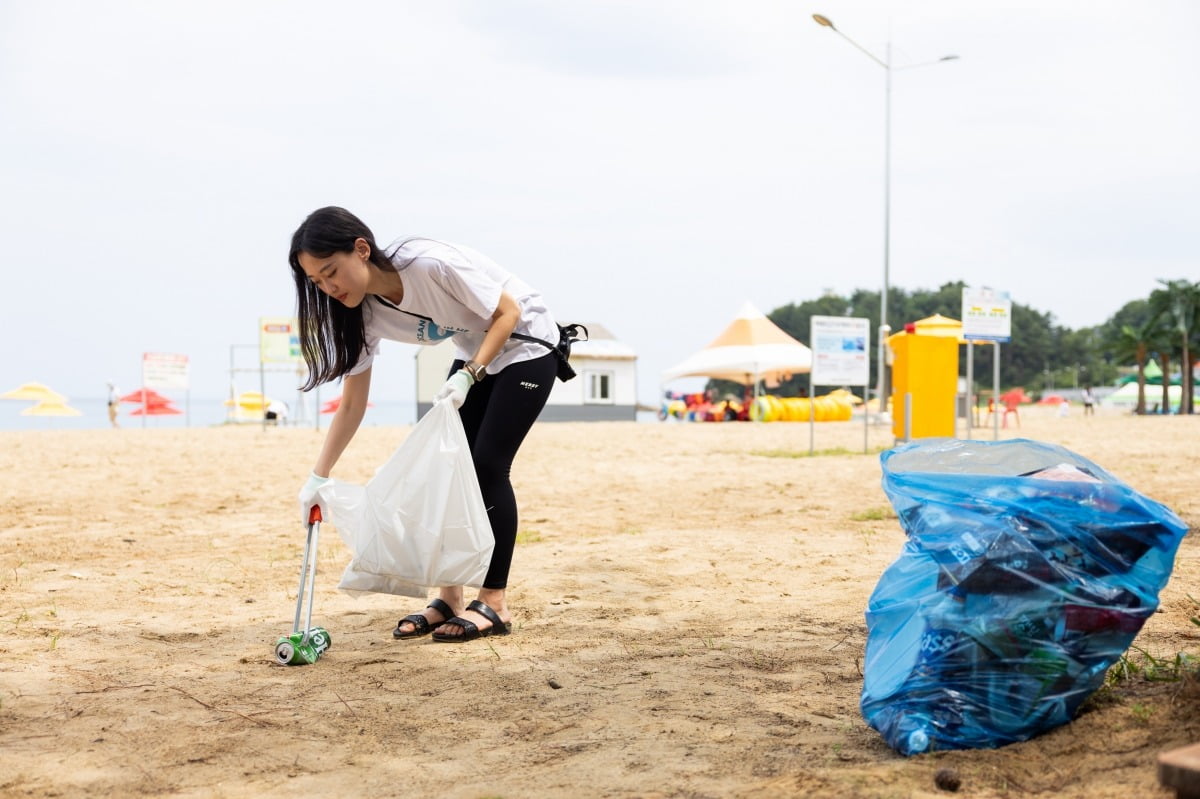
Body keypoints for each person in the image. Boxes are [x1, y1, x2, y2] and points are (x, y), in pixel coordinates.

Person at [289, 206, 559, 643]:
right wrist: (317, 477)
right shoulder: (360, 312)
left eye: (331, 272)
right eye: (317, 282)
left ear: (361, 250)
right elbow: (353, 403)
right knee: (446, 469)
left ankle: (494, 601)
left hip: (528, 342)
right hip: (476, 350)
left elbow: (507, 313)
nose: (328, 288)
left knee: (487, 466)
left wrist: (469, 374)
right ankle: (450, 597)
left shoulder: (428, 265)